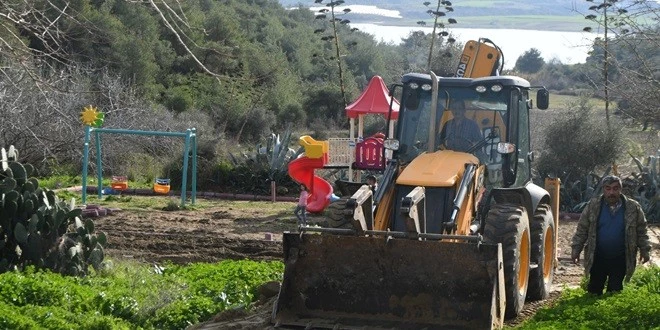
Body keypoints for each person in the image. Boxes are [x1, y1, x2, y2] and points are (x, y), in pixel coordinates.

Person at [570, 175, 651, 295]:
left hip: (621, 257)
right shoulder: (594, 206)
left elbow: (642, 231)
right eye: (608, 188)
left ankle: (610, 312)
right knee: (594, 291)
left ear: (620, 189)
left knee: (614, 292)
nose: (611, 192)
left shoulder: (633, 207)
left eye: (615, 188)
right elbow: (582, 229)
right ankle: (593, 312)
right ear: (603, 189)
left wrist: (645, 250)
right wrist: (576, 249)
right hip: (598, 256)